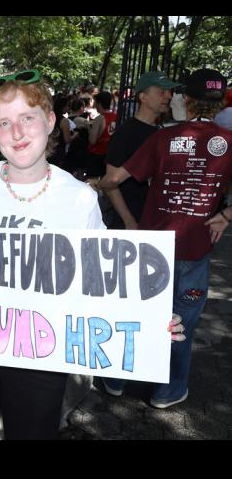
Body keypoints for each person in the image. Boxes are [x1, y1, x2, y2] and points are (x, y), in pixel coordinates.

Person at [0, 69, 107, 439]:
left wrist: (150, 319)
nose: (16, 133)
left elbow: (103, 283)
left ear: (50, 121)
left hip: (42, 343)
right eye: (4, 122)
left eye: (27, 118)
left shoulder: (80, 198)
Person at [99, 68, 232, 409]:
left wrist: (95, 184)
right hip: (195, 247)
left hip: (151, 247)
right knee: (182, 321)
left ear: (186, 100)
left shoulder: (164, 138)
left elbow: (115, 179)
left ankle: (115, 380)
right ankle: (168, 391)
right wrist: (226, 215)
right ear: (220, 103)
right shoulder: (228, 142)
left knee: (136, 313)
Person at [103, 71, 181, 230]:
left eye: (169, 92)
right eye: (162, 92)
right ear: (143, 97)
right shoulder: (126, 132)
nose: (168, 96)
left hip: (157, 219)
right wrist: (128, 220)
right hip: (133, 223)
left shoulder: (162, 131)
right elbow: (110, 182)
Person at [86, 90, 118, 177]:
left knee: (94, 182)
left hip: (97, 156)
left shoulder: (99, 119)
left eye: (95, 102)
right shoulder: (116, 116)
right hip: (109, 156)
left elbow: (92, 141)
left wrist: (89, 129)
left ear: (99, 104)